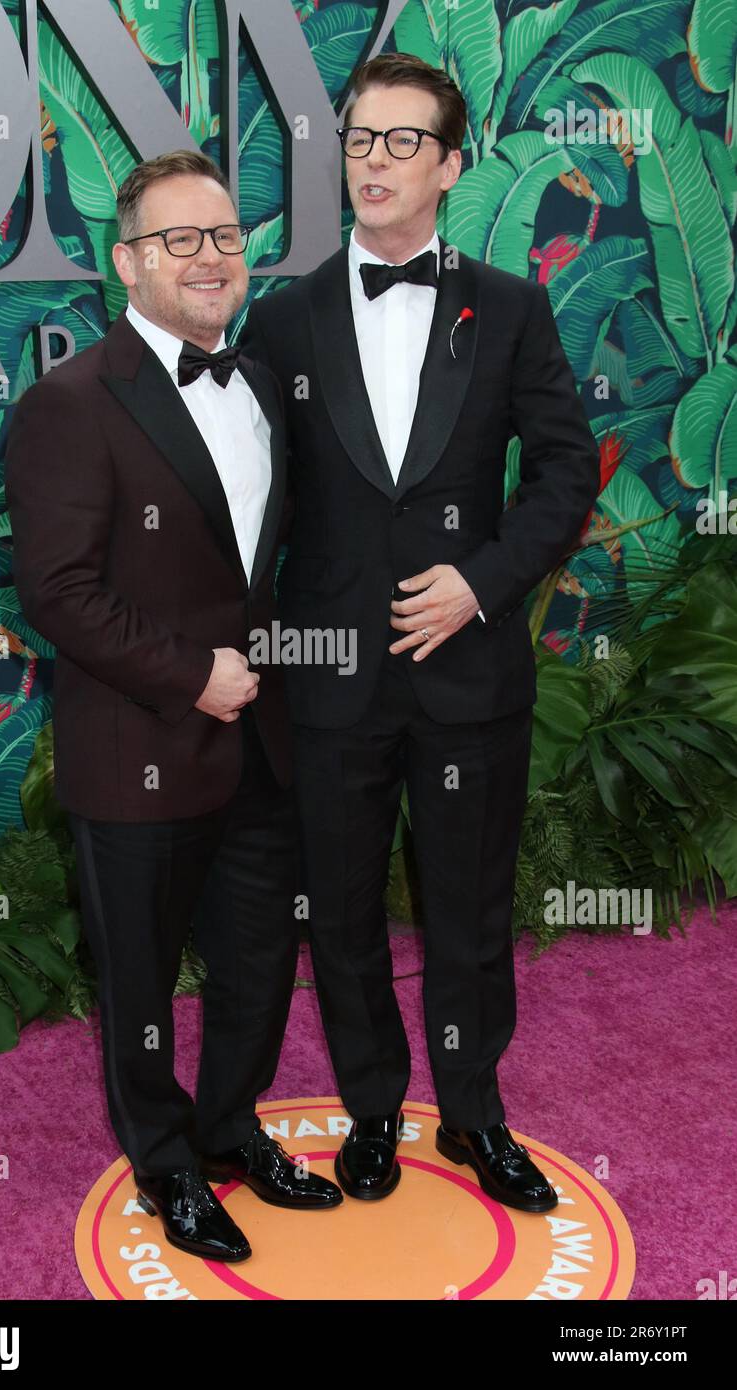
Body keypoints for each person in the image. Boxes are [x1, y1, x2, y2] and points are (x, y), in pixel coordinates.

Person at [239, 54, 600, 1211]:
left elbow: (558, 474)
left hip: (469, 670)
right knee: (337, 909)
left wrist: (480, 583)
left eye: (402, 142)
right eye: (359, 140)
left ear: (448, 165)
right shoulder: (285, 316)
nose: (375, 161)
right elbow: (251, 492)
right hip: (329, 678)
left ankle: (475, 1112)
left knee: (467, 907)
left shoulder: (508, 308)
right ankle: (374, 1110)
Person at [5, 150, 342, 1264]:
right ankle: (165, 1163)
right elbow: (58, 591)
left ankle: (230, 1124)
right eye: (178, 239)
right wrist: (192, 674)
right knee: (142, 979)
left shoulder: (257, 387)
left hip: (260, 745)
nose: (209, 258)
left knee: (257, 961)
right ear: (124, 263)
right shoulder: (70, 403)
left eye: (225, 236)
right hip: (137, 743)